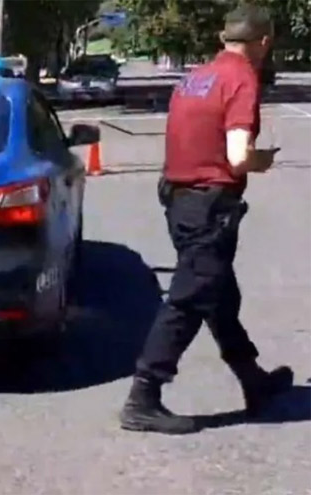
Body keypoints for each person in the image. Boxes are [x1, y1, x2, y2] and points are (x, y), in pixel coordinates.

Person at [119, 4, 293, 435]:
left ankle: (253, 380)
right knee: (190, 297)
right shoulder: (241, 79)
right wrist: (262, 161)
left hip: (179, 197)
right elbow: (237, 156)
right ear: (263, 42)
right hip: (209, 203)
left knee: (217, 293)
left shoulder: (196, 77)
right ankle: (144, 396)